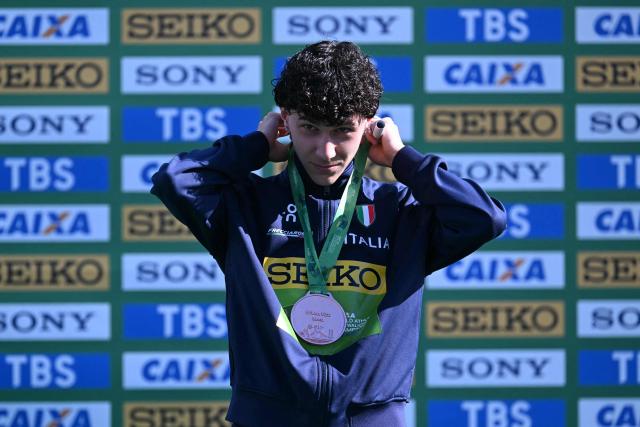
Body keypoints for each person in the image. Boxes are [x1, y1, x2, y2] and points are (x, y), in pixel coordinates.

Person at [151, 40, 506, 427]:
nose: (326, 150)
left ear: (370, 123)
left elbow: (484, 217)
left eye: (343, 130)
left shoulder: (400, 211)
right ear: (285, 120)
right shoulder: (246, 208)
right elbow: (176, 180)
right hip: (268, 416)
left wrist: (404, 159)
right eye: (309, 129)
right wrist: (256, 146)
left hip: (372, 418)